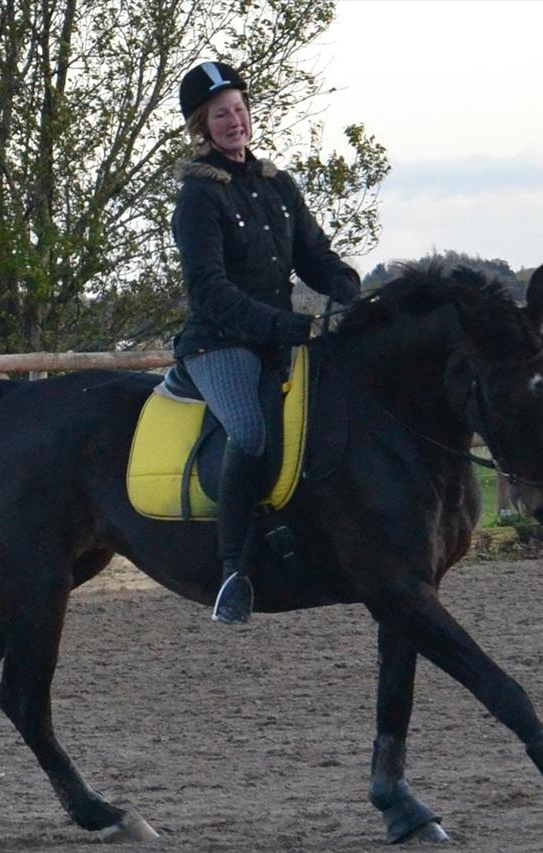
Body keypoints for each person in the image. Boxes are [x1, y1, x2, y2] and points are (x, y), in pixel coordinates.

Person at [172, 61, 360, 625]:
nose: (234, 121)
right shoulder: (198, 199)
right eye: (219, 114)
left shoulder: (278, 184)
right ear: (202, 127)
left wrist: (345, 285)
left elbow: (313, 256)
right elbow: (210, 292)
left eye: (238, 109)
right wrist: (285, 327)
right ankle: (233, 571)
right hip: (220, 345)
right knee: (250, 432)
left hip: (279, 339)